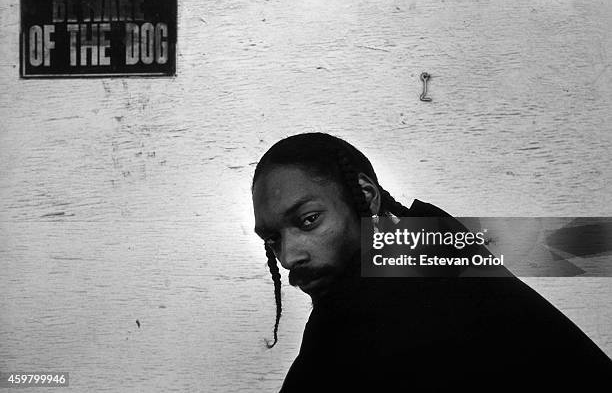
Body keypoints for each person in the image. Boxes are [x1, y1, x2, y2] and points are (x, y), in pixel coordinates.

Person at [251, 132, 611, 392]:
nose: (288, 256)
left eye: (309, 220)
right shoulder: (414, 266)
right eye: (273, 239)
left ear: (366, 196)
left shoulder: (420, 298)